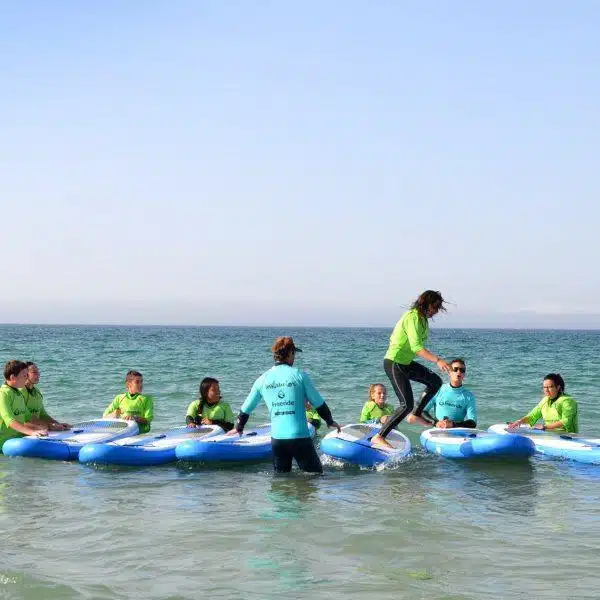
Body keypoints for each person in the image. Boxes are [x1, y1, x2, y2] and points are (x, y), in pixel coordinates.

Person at [229, 336, 340, 473]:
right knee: (315, 476)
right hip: (300, 438)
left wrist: (239, 427)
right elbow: (318, 403)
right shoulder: (300, 375)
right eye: (294, 354)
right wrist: (329, 420)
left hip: (278, 440)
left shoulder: (262, 379)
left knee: (281, 482)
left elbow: (246, 408)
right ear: (290, 353)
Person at [371, 290, 451, 449]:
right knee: (405, 404)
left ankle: (416, 414)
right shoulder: (412, 317)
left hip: (405, 363)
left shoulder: (423, 320)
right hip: (394, 362)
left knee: (435, 381)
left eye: (438, 308)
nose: (435, 311)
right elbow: (417, 348)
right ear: (425, 304)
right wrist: (438, 360)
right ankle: (379, 436)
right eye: (434, 307)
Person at [408, 358, 477, 429]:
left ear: (464, 374)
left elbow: (472, 422)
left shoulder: (469, 396)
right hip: (438, 431)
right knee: (411, 416)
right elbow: (422, 411)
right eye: (455, 369)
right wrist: (436, 423)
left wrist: (453, 425)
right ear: (449, 372)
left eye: (462, 370)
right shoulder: (438, 389)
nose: (459, 372)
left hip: (457, 433)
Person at [0, 360, 48, 451]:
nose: (27, 378)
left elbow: (29, 417)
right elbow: (9, 420)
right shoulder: (3, 394)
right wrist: (32, 432)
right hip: (3, 445)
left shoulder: (18, 393)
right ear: (13, 377)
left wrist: (46, 427)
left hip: (18, 440)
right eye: (24, 376)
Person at [507, 373, 578, 433]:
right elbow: (532, 416)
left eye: (550, 387)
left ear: (558, 387)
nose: (546, 390)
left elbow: (565, 421)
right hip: (549, 435)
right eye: (544, 387)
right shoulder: (545, 400)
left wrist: (544, 427)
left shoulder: (567, 401)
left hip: (568, 436)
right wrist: (519, 422)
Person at [21, 362, 71, 431]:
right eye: (34, 372)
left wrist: (58, 424)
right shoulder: (20, 392)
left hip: (34, 426)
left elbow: (43, 414)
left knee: (47, 427)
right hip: (21, 428)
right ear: (25, 374)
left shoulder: (37, 392)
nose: (38, 375)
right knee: (44, 427)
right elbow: (25, 418)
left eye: (38, 372)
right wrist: (50, 425)